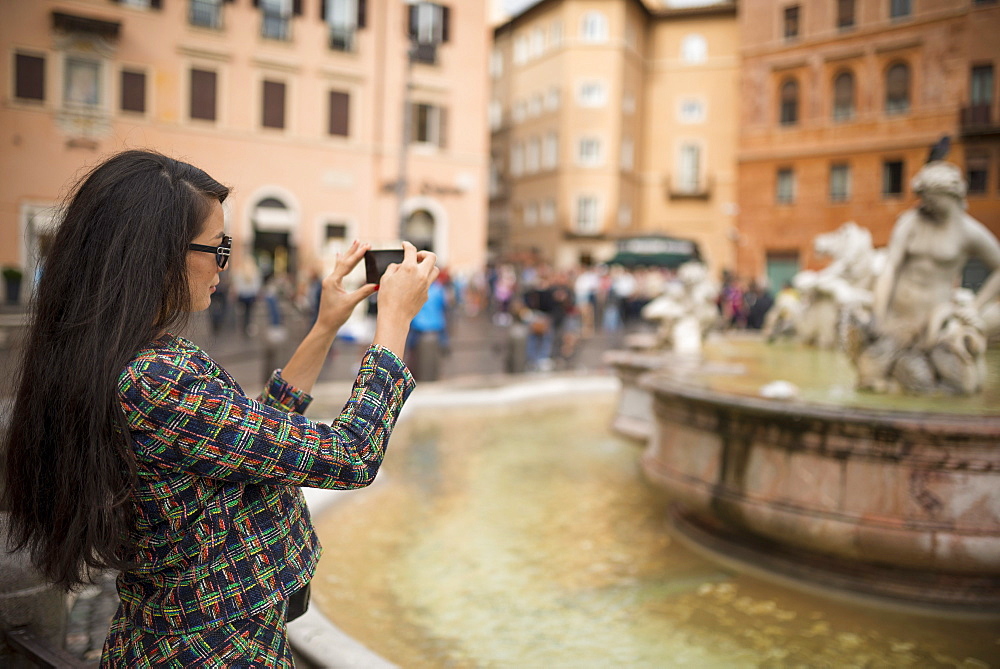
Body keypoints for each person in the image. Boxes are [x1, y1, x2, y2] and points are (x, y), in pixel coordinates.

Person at [0, 150, 438, 667]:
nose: (224, 265)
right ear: (159, 254)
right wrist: (395, 323)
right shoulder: (155, 378)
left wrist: (325, 326)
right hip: (215, 649)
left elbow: (245, 438)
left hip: (177, 636)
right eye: (217, 247)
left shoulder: (121, 357)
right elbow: (352, 456)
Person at [857, 160, 1000, 393]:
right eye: (924, 198)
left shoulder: (968, 231)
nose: (926, 204)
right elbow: (890, 268)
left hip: (935, 323)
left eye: (932, 198)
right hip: (898, 319)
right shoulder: (910, 222)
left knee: (957, 387)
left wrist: (975, 307)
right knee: (870, 378)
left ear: (950, 195)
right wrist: (879, 315)